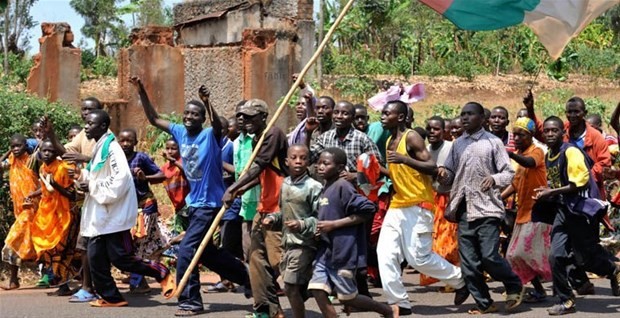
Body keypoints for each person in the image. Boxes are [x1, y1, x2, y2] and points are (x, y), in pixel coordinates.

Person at [130, 77, 249, 316]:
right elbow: (154, 119)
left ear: (202, 118)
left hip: (210, 203)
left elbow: (218, 126)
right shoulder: (179, 132)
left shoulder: (210, 136)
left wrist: (208, 101)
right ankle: (250, 278)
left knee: (186, 250)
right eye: (187, 113)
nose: (189, 117)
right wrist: (141, 90)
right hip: (195, 204)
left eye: (196, 114)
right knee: (208, 254)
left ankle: (191, 301)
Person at [74, 109, 175, 307]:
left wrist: (92, 187)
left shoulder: (112, 149)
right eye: (85, 123)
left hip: (113, 215)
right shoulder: (99, 148)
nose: (86, 126)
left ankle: (160, 271)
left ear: (103, 126)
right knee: (95, 257)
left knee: (121, 259)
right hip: (101, 215)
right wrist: (82, 179)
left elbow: (121, 179)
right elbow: (95, 173)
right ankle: (112, 297)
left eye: (90, 123)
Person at [378, 103, 467, 316]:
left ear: (400, 117)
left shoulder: (411, 138)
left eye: (387, 113)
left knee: (419, 259)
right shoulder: (390, 140)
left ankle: (461, 279)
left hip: (418, 205)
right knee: (384, 253)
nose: (382, 116)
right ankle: (400, 303)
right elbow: (399, 175)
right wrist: (376, 168)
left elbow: (432, 168)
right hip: (397, 204)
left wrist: (404, 159)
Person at [439, 102, 524, 315]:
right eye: (462, 114)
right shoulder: (457, 144)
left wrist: (494, 179)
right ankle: (484, 302)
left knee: (488, 256)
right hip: (464, 208)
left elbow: (508, 173)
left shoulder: (493, 143)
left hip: (488, 208)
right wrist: (443, 173)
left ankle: (513, 284)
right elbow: (450, 172)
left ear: (481, 119)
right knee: (468, 262)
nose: (465, 118)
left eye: (470, 114)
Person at [534, 116, 620, 315]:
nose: (549, 134)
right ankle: (567, 300)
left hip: (580, 211)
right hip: (563, 210)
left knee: (586, 258)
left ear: (562, 133)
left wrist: (551, 192)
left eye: (554, 130)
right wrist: (547, 191)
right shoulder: (550, 155)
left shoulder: (571, 152)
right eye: (546, 131)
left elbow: (578, 183)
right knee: (555, 256)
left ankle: (613, 269)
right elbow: (558, 184)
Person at [223, 99, 289, 318]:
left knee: (277, 260)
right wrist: (241, 190)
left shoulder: (273, 134)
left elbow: (260, 164)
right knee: (255, 259)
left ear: (263, 117)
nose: (246, 121)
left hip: (279, 206)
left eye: (251, 117)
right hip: (263, 203)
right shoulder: (256, 140)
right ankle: (267, 308)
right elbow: (261, 175)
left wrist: (233, 187)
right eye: (242, 116)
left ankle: (309, 287)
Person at [308, 147, 393, 318]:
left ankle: (386, 310)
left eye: (326, 164)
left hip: (343, 252)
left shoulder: (343, 186)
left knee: (348, 298)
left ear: (340, 168)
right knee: (317, 289)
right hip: (325, 251)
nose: (320, 167)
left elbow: (368, 208)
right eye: (319, 164)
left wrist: (334, 224)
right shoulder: (327, 186)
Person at [43, 96, 105, 303]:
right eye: (84, 110)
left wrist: (85, 159)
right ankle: (92, 286)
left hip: (104, 197)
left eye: (91, 110)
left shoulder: (107, 138)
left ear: (101, 113)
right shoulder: (84, 136)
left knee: (94, 246)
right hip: (87, 198)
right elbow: (66, 152)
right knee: (87, 245)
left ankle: (94, 286)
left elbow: (112, 160)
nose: (86, 113)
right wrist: (51, 134)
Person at [262, 144, 323, 318]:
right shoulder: (286, 183)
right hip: (287, 243)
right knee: (293, 285)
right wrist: (273, 219)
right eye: (294, 158)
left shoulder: (314, 187)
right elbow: (284, 213)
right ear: (286, 161)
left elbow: (321, 217)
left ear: (309, 161)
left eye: (303, 158)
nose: (298, 162)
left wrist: (302, 224)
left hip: (304, 244)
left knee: (289, 286)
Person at [500, 117, 551, 303]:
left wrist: (512, 155)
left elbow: (531, 163)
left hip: (537, 212)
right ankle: (539, 290)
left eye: (522, 135)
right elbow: (515, 184)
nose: (518, 138)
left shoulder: (535, 152)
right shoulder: (520, 157)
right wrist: (499, 199)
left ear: (530, 136)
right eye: (515, 135)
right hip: (523, 213)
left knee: (521, 253)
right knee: (516, 254)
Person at [118, 128, 169, 294]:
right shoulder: (115, 160)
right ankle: (139, 275)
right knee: (128, 243)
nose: (125, 144)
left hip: (144, 205)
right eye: (122, 140)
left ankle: (137, 281)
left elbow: (161, 176)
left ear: (135, 142)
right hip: (125, 207)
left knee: (140, 242)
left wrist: (144, 178)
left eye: (129, 140)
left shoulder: (141, 158)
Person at [29, 140, 79, 295]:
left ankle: (66, 285)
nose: (46, 154)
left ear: (57, 153)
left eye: (50, 151)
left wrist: (56, 185)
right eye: (44, 150)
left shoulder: (64, 169)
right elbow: (45, 191)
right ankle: (67, 283)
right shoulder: (44, 168)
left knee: (62, 250)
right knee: (50, 249)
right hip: (49, 215)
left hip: (66, 215)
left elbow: (72, 194)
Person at [419, 116, 459, 292]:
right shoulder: (424, 151)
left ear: (444, 131)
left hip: (450, 196)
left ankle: (457, 276)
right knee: (434, 240)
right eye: (429, 129)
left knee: (450, 241)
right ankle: (448, 276)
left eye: (436, 129)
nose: (431, 132)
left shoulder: (452, 148)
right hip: (432, 199)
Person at [0, 134, 38, 290]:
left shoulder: (32, 160)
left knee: (12, 241)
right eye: (13, 146)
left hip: (32, 209)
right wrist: (9, 152)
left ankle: (13, 280)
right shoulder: (12, 161)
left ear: (25, 145)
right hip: (19, 211)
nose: (16, 149)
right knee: (33, 245)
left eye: (19, 146)